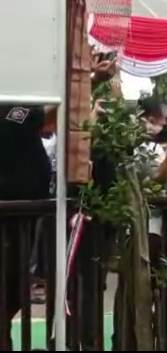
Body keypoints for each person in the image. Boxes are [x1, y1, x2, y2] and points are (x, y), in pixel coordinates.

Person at [0, 105, 56, 348]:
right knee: (8, 290)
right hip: (10, 218)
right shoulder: (15, 107)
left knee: (12, 292)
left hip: (22, 216)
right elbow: (52, 108)